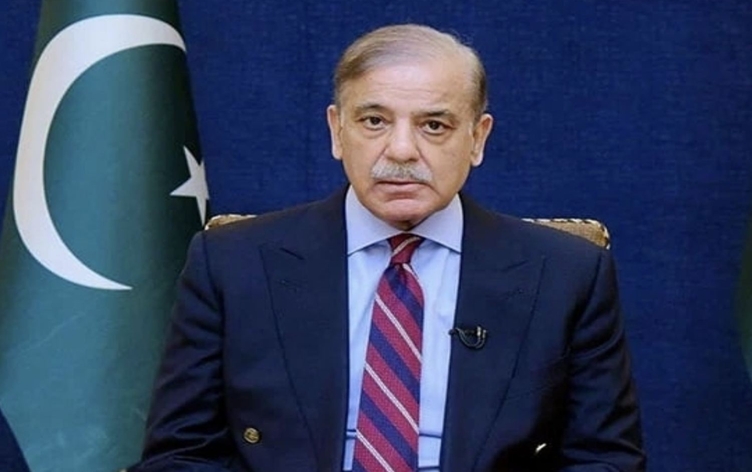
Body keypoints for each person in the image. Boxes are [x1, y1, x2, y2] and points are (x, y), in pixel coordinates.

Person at [133, 24, 645, 472]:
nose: (401, 150)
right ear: (337, 130)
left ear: (477, 138)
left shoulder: (566, 274)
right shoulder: (233, 263)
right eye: (374, 121)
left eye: (434, 125)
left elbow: (606, 459)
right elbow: (179, 455)